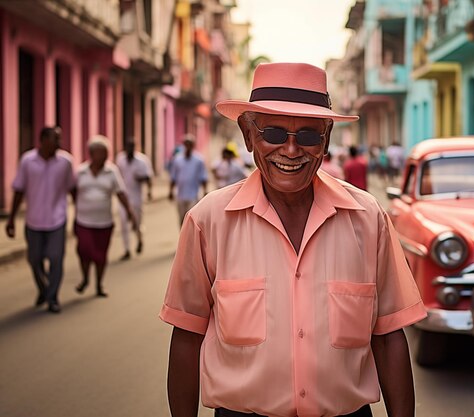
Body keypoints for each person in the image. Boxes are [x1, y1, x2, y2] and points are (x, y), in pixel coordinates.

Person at [160, 62, 426, 417]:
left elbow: (390, 336)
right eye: (272, 133)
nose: (290, 150)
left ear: (327, 139)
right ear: (247, 135)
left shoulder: (368, 218)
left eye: (307, 136)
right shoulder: (207, 221)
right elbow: (187, 336)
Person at [5, 127, 75, 313]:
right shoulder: (27, 161)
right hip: (33, 220)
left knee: (55, 258)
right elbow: (19, 190)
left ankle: (52, 297)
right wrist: (11, 219)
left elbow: (72, 188)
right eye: (55, 139)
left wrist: (78, 216)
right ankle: (43, 289)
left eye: (60, 139)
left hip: (57, 219)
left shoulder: (66, 162)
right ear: (43, 139)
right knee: (34, 259)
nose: (59, 143)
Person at [74, 136, 136, 297]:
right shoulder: (81, 171)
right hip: (83, 221)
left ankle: (99, 285)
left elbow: (120, 193)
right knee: (84, 250)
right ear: (92, 154)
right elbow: (73, 191)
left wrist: (129, 211)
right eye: (101, 153)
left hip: (104, 222)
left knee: (101, 256)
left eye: (106, 153)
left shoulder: (111, 171)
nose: (104, 157)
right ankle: (85, 277)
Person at [115, 139, 153, 261]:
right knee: (123, 224)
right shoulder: (120, 159)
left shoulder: (142, 161)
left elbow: (148, 177)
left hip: (137, 198)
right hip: (124, 197)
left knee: (136, 223)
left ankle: (139, 238)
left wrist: (148, 190)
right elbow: (117, 176)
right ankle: (127, 249)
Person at [168, 135, 208, 225]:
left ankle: (192, 238)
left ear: (193, 146)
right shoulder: (177, 159)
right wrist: (170, 191)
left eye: (190, 145)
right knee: (181, 219)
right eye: (186, 144)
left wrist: (205, 190)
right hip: (180, 195)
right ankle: (183, 238)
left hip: (193, 195)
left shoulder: (199, 160)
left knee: (191, 219)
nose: (188, 147)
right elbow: (173, 177)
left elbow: (203, 177)